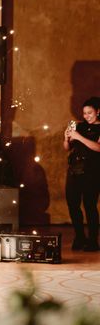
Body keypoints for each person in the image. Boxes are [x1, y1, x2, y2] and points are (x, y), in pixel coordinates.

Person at [64, 97, 100, 251]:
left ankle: (92, 240)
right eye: (84, 113)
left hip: (92, 171)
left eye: (90, 112)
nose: (86, 116)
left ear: (98, 111)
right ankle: (79, 237)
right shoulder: (79, 126)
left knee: (90, 206)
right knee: (73, 205)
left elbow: (98, 147)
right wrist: (66, 138)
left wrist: (79, 137)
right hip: (74, 170)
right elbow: (67, 147)